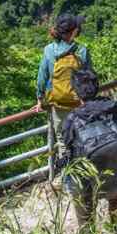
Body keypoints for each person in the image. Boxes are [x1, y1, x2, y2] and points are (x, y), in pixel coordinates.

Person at [58, 69, 117, 234]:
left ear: (75, 91)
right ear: (97, 86)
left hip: (86, 180)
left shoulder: (71, 120)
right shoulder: (114, 108)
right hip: (113, 169)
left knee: (86, 220)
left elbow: (69, 148)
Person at [36, 13, 92, 160]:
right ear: (73, 31)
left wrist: (40, 100)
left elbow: (42, 78)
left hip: (58, 104)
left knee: (62, 141)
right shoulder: (82, 51)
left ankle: (68, 175)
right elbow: (90, 78)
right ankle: (84, 171)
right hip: (79, 103)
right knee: (81, 137)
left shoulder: (49, 50)